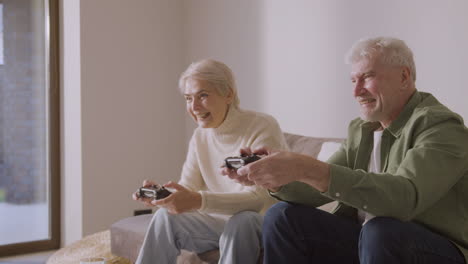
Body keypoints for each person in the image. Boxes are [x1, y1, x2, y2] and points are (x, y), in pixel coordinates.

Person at [226, 37, 468, 264]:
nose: (356, 91)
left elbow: (405, 198)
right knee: (282, 216)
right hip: (371, 242)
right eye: (353, 80)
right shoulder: (362, 130)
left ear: (404, 76)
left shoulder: (439, 126)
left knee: (381, 230)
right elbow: (318, 190)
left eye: (367, 77)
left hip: (435, 248)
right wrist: (277, 177)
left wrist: (308, 167)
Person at [133, 59, 288, 264]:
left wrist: (198, 200)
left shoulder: (262, 126)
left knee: (242, 221)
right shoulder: (200, 137)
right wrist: (164, 197)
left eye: (203, 95)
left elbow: (258, 199)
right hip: (219, 223)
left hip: (263, 221)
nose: (194, 107)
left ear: (228, 94)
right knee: (164, 217)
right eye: (188, 98)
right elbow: (188, 188)